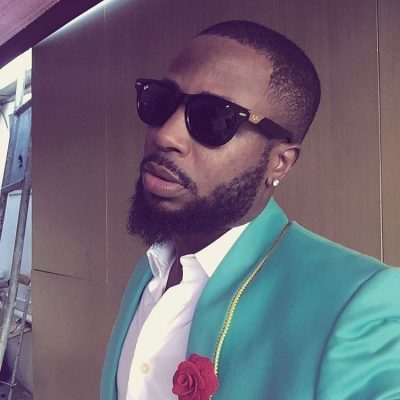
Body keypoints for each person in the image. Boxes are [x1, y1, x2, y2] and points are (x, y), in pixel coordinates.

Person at [101, 20, 400, 400]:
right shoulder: (151, 268)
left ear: (279, 162)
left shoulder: (360, 305)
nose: (165, 135)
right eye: (160, 101)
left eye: (214, 118)